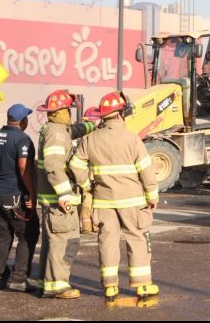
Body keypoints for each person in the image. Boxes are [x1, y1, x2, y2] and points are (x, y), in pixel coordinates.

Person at [68, 91, 159, 304]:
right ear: (119, 115)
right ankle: (142, 286)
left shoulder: (90, 139)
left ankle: (110, 286)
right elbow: (146, 170)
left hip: (103, 201)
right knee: (137, 239)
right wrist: (152, 195)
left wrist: (88, 185)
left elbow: (75, 165)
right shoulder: (132, 139)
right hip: (134, 202)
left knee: (107, 241)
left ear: (103, 116)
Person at [35, 89, 96, 299]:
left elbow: (74, 130)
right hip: (58, 200)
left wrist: (92, 125)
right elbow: (53, 166)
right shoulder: (57, 133)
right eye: (68, 110)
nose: (69, 113)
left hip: (50, 198)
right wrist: (65, 194)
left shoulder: (55, 128)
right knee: (65, 240)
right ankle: (58, 286)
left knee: (53, 241)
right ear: (61, 111)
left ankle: (46, 281)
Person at [0, 103, 39, 292]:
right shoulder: (23, 140)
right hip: (15, 196)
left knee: (2, 234)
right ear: (23, 120)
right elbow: (24, 167)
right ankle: (18, 278)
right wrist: (32, 192)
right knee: (28, 233)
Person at [79, 107, 102, 234]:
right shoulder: (96, 136)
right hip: (94, 172)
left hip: (84, 173)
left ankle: (86, 226)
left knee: (86, 198)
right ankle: (94, 225)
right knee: (94, 199)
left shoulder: (83, 136)